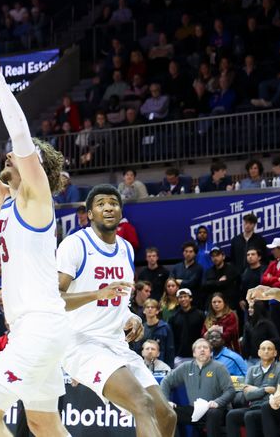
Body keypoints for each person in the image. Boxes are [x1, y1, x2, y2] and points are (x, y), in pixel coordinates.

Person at [0, 38, 76, 437]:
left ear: (35, 167)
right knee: (43, 422)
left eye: (14, 154)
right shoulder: (7, 201)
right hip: (35, 328)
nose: (7, 155)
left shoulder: (36, 199)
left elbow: (22, 137)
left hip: (40, 326)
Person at [57, 185, 176, 437]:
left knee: (166, 415)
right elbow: (53, 298)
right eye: (100, 203)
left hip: (116, 344)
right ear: (89, 213)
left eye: (113, 203)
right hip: (81, 343)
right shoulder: (74, 245)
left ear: (121, 211)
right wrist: (95, 294)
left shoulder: (125, 248)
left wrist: (132, 317)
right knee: (142, 404)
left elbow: (120, 301)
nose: (108, 207)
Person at [161, 338, 235, 437]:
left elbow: (230, 391)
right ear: (194, 353)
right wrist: (166, 401)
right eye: (199, 348)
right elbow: (166, 381)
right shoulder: (186, 367)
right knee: (169, 413)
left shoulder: (219, 367)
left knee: (213, 414)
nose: (202, 350)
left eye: (205, 347)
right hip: (195, 409)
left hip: (216, 409)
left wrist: (217, 402)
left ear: (210, 352)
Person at [226, 340, 280, 437]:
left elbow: (276, 391)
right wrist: (265, 389)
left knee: (250, 416)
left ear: (275, 353)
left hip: (271, 409)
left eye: (269, 349)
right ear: (259, 352)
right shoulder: (252, 370)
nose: (266, 351)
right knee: (231, 415)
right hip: (253, 407)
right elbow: (247, 395)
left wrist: (255, 389)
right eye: (263, 349)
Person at [170, 288, 206, 367]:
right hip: (179, 356)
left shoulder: (200, 315)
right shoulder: (173, 317)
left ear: (190, 298)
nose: (183, 299)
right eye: (180, 297)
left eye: (185, 296)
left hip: (198, 354)